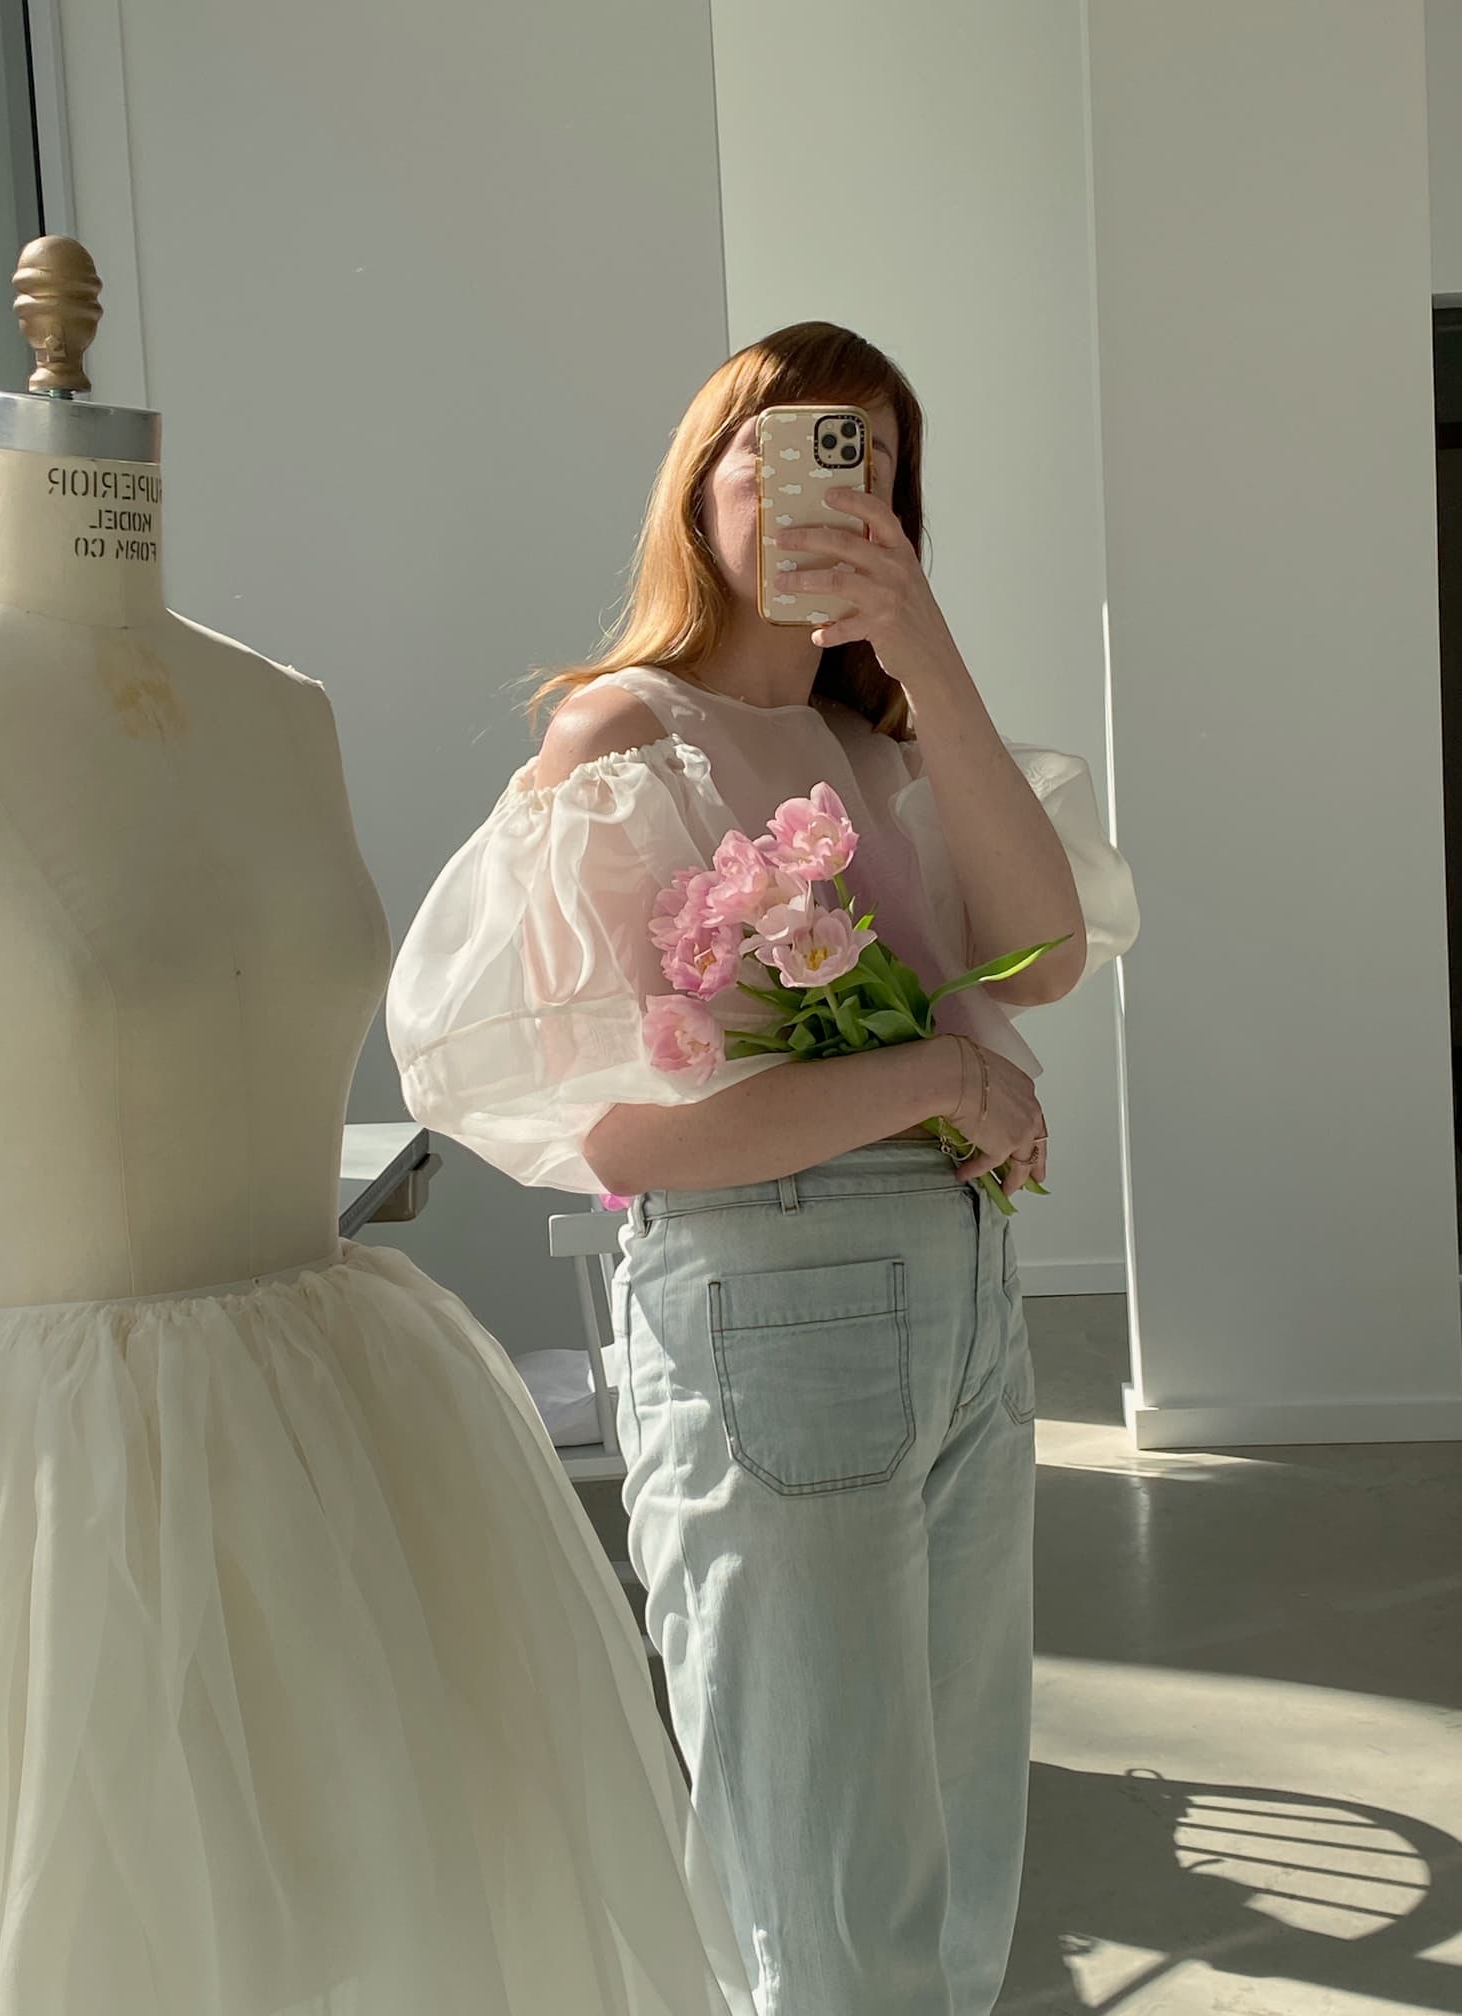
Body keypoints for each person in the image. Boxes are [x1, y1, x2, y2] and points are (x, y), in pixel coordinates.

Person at [388, 321, 1139, 2016]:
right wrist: (935, 1072)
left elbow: (1039, 963)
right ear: (704, 486)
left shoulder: (886, 755)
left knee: (950, 1866)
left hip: (957, 1307)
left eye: (873, 462)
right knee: (826, 1877)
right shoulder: (618, 739)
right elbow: (632, 1138)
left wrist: (926, 655)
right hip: (771, 1305)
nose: (836, 486)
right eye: (792, 450)